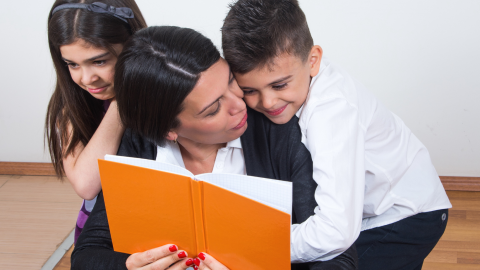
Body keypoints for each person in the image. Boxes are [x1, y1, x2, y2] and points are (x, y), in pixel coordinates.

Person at [72, 26, 358, 270]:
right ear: (168, 131)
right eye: (212, 110)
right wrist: (127, 265)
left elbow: (340, 258)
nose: (239, 104)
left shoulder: (280, 131)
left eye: (231, 81)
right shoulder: (141, 144)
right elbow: (86, 254)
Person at [221, 0, 452, 269]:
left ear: (313, 60)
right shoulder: (300, 79)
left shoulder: (332, 114)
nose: (268, 102)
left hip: (405, 216)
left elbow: (335, 232)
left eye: (279, 84)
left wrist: (250, 245)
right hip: (369, 212)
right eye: (250, 90)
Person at [45, 0, 147, 242]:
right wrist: (122, 102)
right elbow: (86, 185)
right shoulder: (70, 109)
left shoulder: (165, 93)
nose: (87, 78)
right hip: (102, 233)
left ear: (133, 46)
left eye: (99, 61)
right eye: (72, 64)